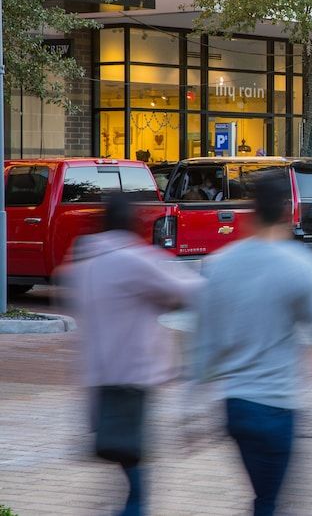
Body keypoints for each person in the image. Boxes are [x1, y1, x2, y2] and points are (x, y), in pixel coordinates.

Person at [190, 172, 312, 516]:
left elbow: (204, 341)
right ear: (290, 210)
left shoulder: (218, 265)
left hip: (235, 407)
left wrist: (189, 404)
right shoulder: (303, 266)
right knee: (272, 502)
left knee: (265, 498)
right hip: (276, 406)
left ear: (251, 211)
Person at [65, 193, 203, 516]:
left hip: (97, 382)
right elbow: (189, 291)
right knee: (137, 484)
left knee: (127, 473)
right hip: (131, 383)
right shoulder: (132, 260)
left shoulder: (83, 264)